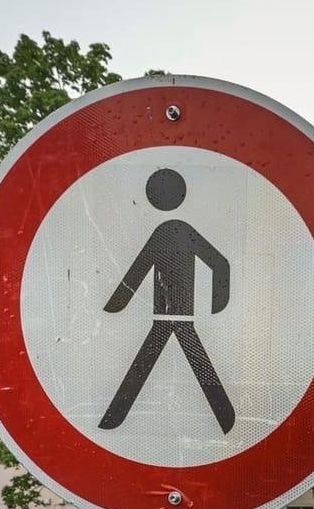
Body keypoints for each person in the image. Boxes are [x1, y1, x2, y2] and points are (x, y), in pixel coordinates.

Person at [100, 168, 235, 432]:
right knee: (184, 362)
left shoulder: (173, 231)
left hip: (175, 316)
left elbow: (219, 263)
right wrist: (217, 302)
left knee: (165, 362)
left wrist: (118, 303)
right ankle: (226, 417)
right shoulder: (175, 231)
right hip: (170, 316)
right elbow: (220, 264)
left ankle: (112, 419)